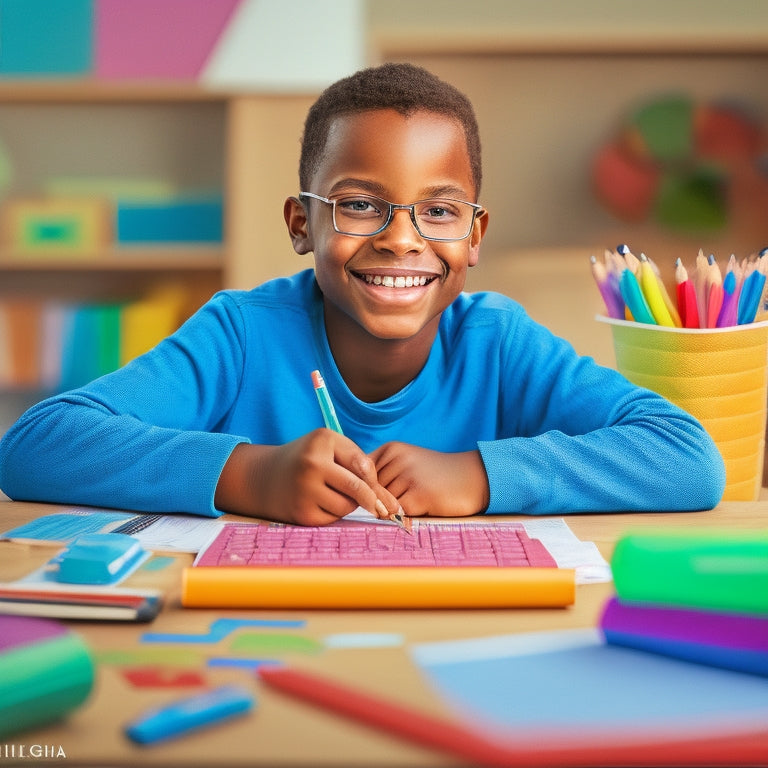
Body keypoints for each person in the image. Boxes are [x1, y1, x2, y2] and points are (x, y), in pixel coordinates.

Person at [0, 63, 725, 525]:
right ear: (301, 223)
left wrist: (480, 475)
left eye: (439, 211)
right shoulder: (242, 333)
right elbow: (34, 447)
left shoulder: (497, 340)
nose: (402, 240)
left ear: (474, 235)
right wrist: (249, 474)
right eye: (358, 204)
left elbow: (687, 457)